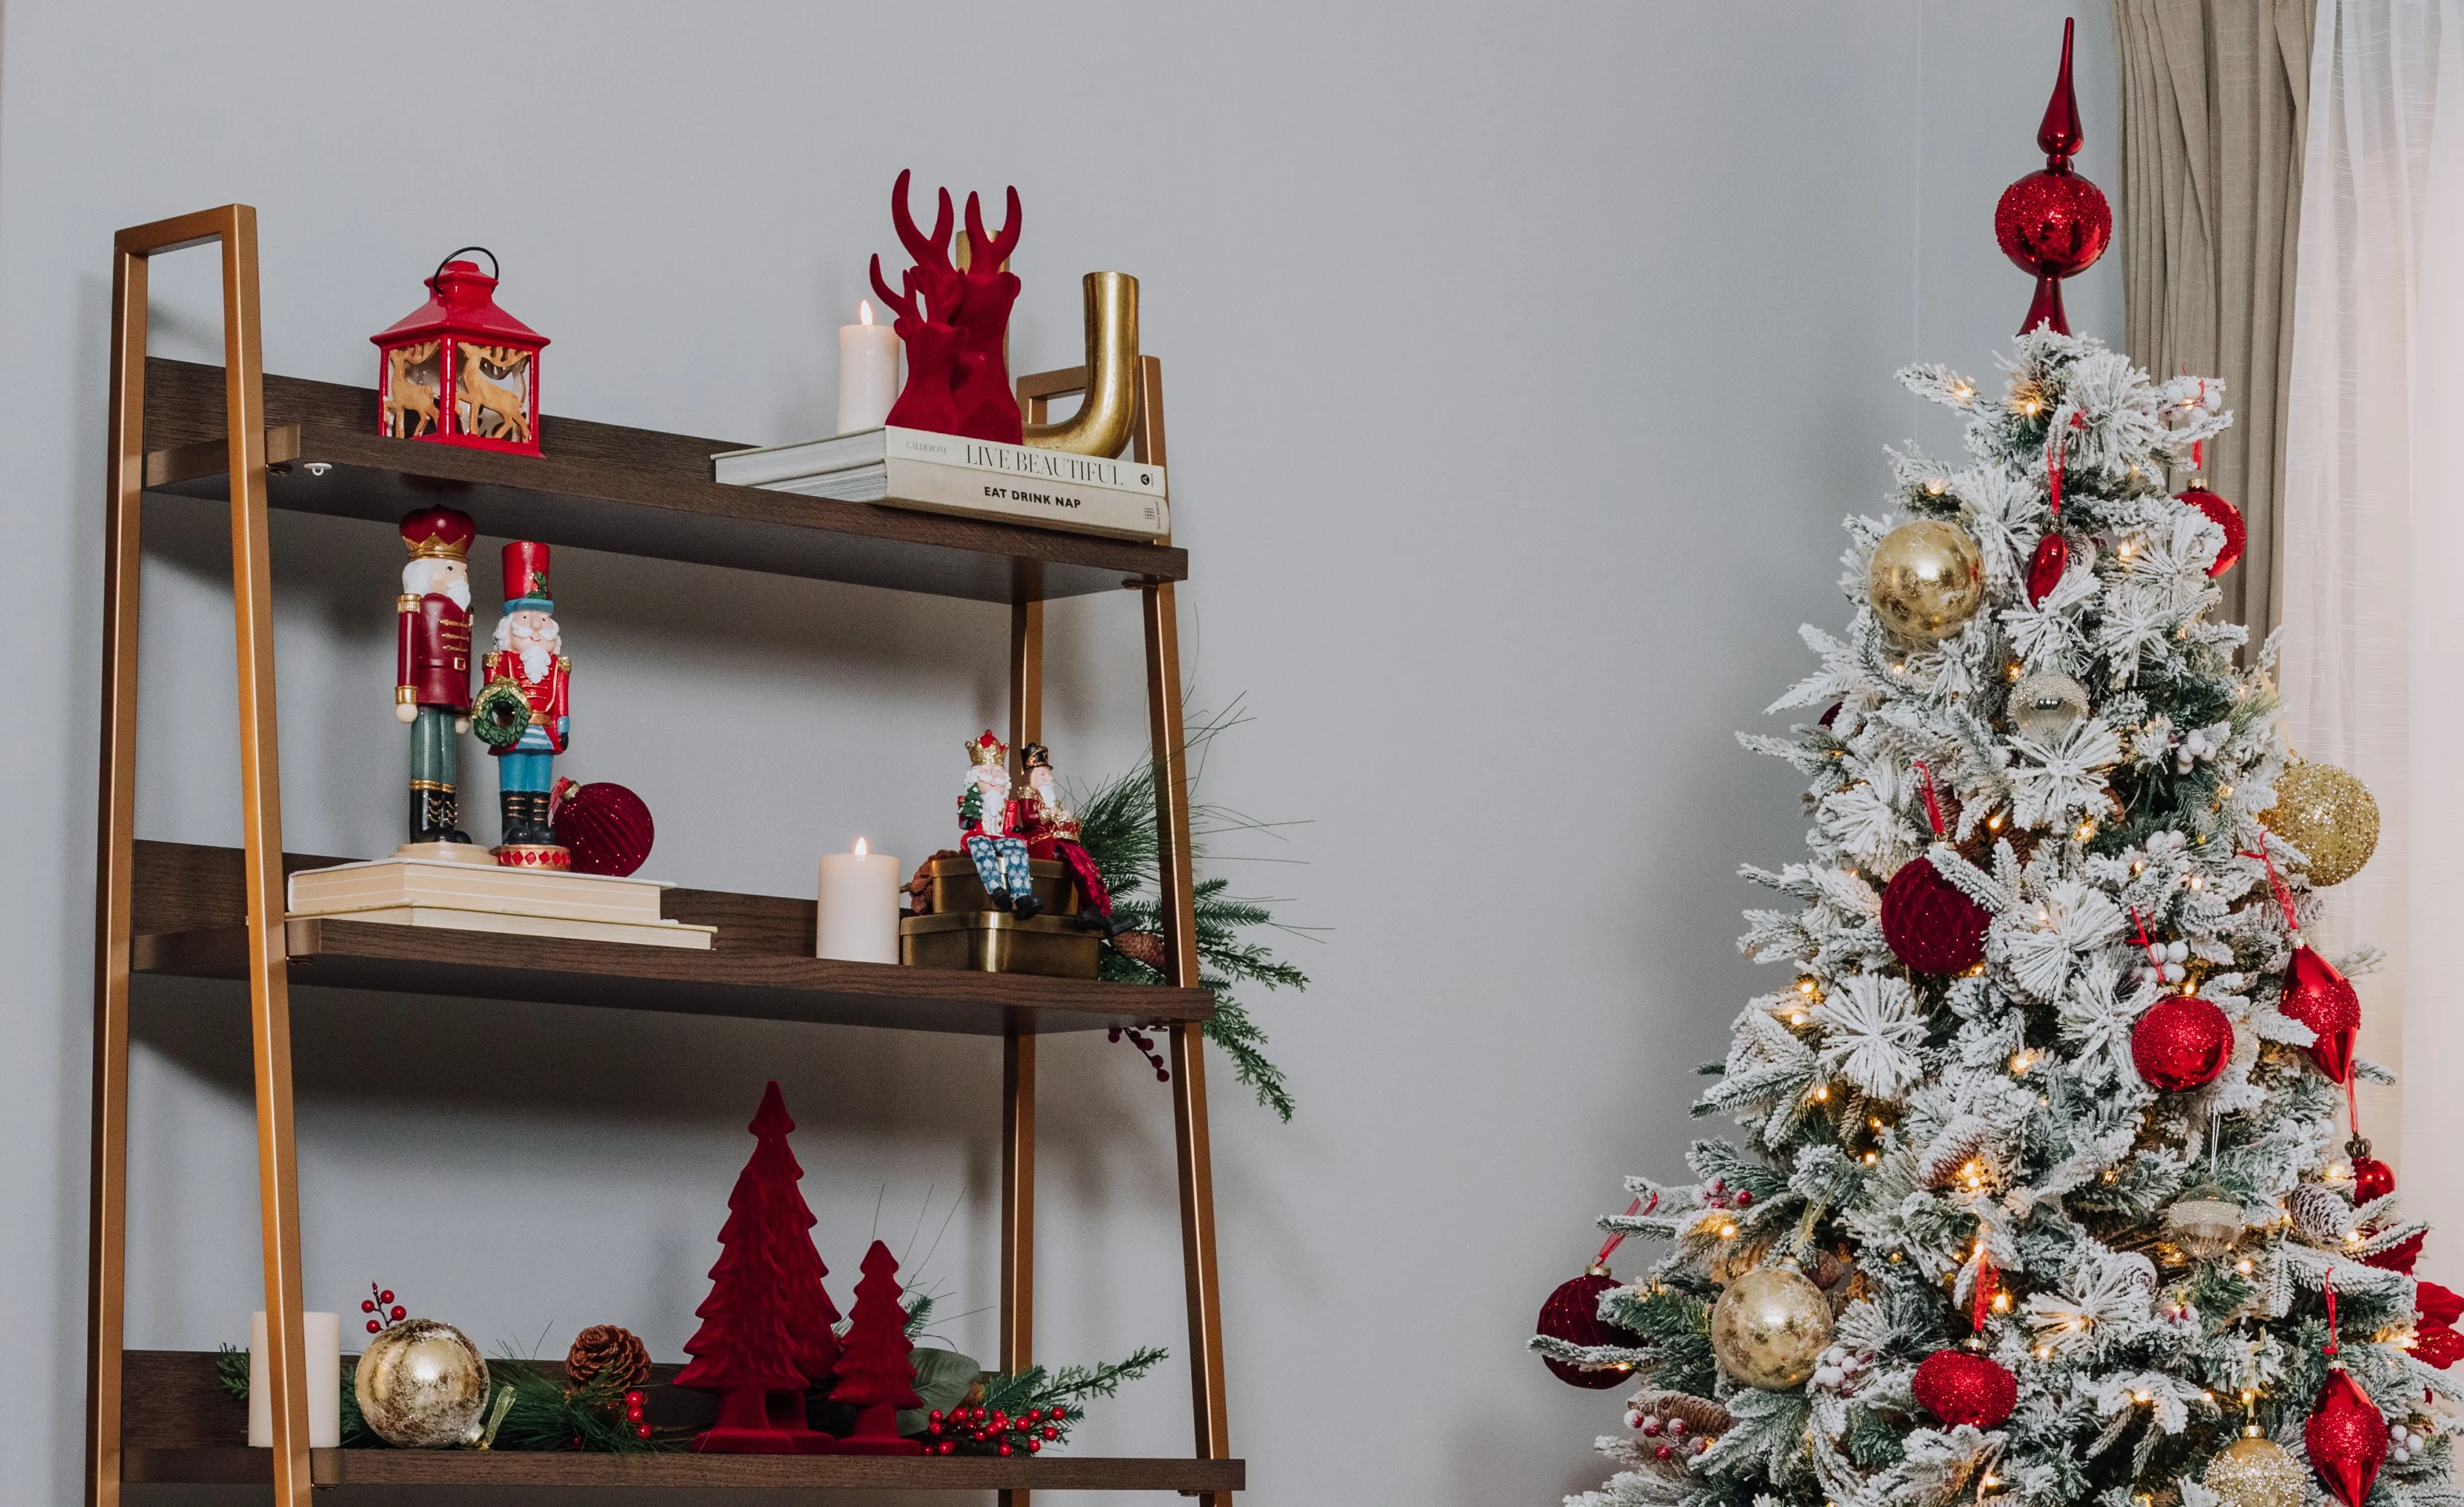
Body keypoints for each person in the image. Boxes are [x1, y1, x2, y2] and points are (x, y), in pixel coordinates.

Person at [394, 508, 477, 847]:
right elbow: (408, 650)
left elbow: (466, 659)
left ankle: (445, 822)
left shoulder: (464, 610)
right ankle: (423, 827)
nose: (459, 576)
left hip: (452, 692)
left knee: (447, 759)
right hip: (426, 690)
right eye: (449, 568)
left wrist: (464, 708)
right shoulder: (415, 604)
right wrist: (406, 695)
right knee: (427, 756)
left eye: (460, 569)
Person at [481, 541, 571, 851]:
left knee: (540, 778)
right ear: (508, 627)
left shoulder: (557, 667)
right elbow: (489, 695)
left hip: (544, 730)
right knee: (515, 775)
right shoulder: (502, 661)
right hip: (513, 729)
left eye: (543, 620)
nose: (536, 627)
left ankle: (539, 824)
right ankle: (513, 825)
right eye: (525, 619)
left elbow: (560, 697)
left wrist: (563, 725)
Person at [1017, 742, 1115, 934]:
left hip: (1053, 837)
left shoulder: (1050, 798)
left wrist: (1063, 815)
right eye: (1043, 775)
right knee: (1072, 854)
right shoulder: (1029, 794)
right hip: (1037, 840)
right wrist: (1051, 814)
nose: (1049, 779)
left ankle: (1104, 912)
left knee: (1084, 860)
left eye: (1049, 774)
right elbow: (1029, 819)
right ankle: (1091, 909)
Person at [958, 732, 1039, 918]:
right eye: (987, 772)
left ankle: (1023, 897)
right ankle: (997, 890)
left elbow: (1010, 825)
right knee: (981, 848)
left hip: (1002, 835)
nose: (993, 778)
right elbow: (964, 820)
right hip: (979, 834)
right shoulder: (969, 801)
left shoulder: (1007, 804)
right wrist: (969, 821)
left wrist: (1015, 830)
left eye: (998, 772)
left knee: (1017, 847)